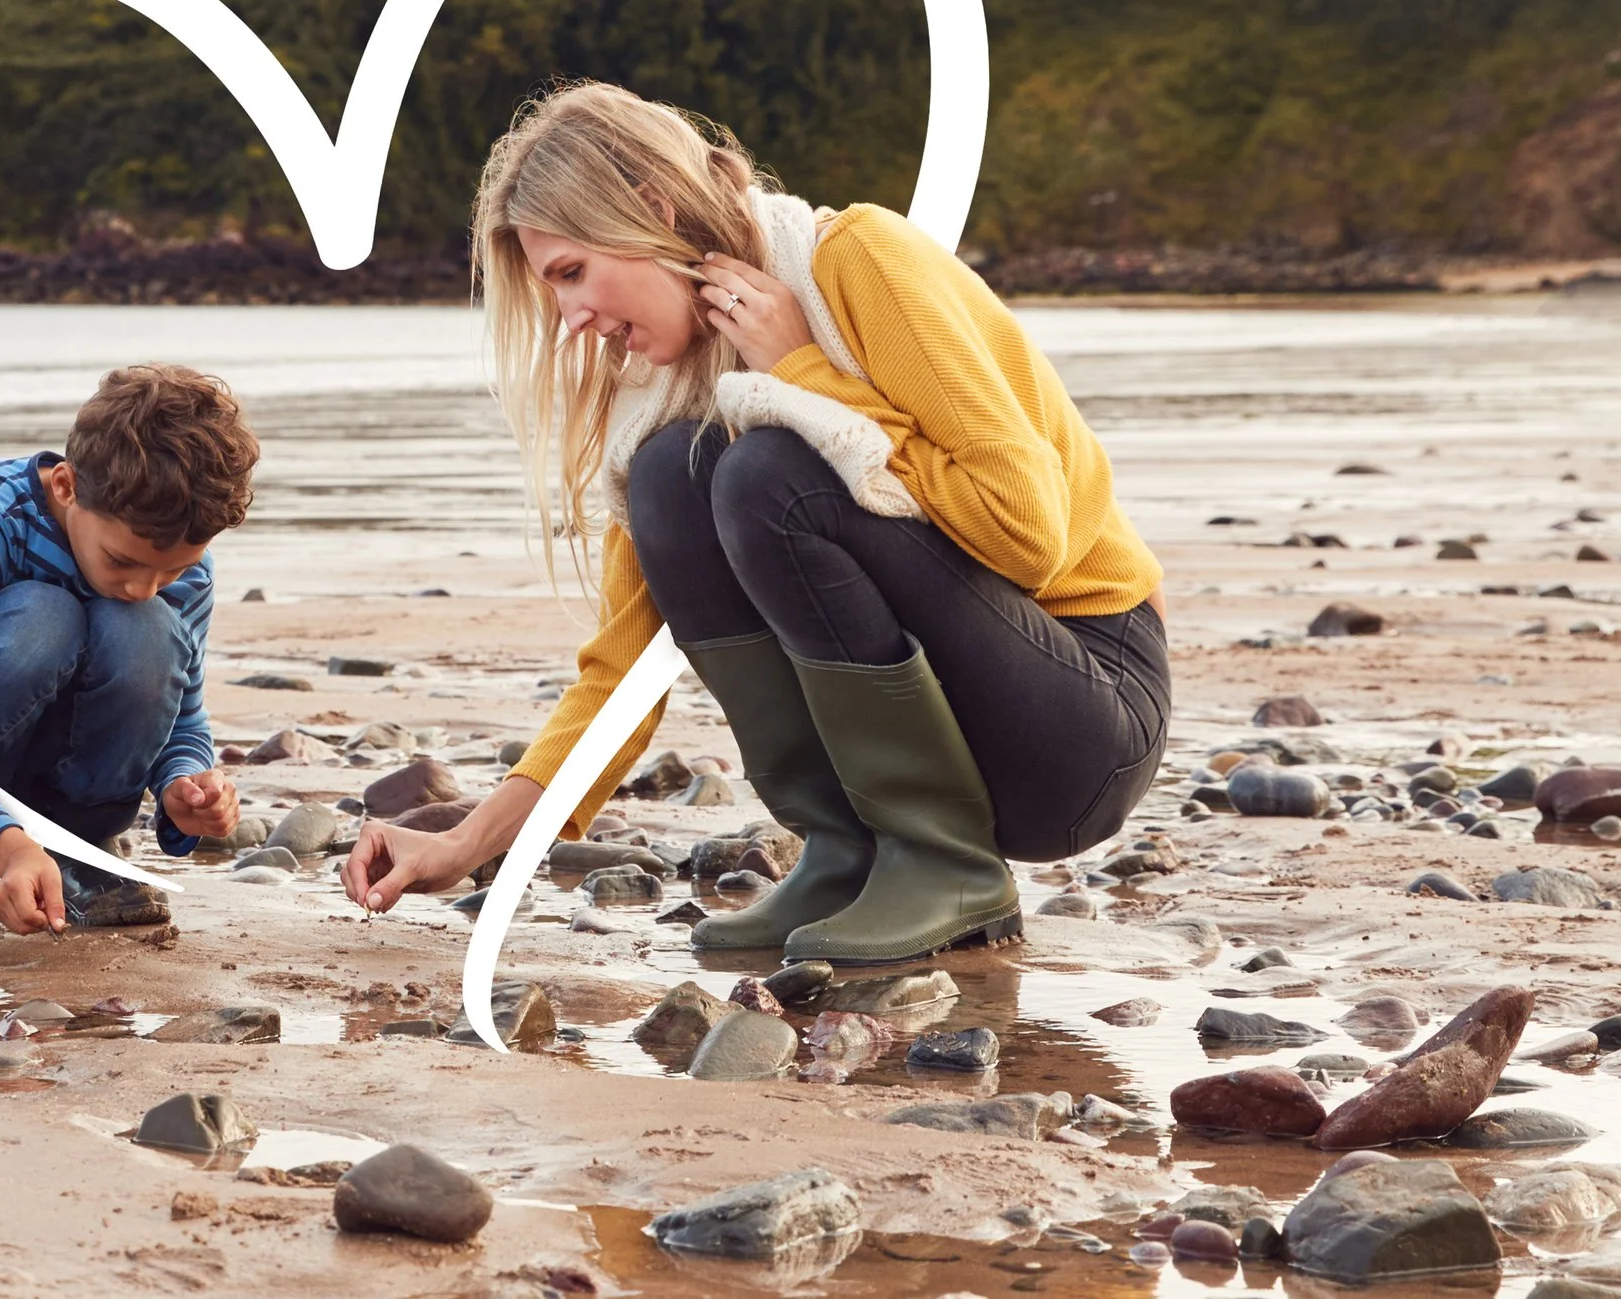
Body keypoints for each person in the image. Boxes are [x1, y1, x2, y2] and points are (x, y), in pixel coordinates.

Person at [341, 82, 1170, 965]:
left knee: (767, 474)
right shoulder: (660, 392)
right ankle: (848, 851)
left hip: (1080, 714)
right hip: (965, 734)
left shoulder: (858, 260)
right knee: (672, 473)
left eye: (572, 271)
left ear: (652, 210)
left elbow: (1028, 533)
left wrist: (804, 373)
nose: (568, 317)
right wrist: (467, 842)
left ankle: (945, 863)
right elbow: (621, 672)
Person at [0, 363, 259, 936]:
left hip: (69, 750)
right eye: (123, 561)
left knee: (145, 628)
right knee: (44, 616)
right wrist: (8, 849)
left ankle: (80, 843)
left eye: (173, 570)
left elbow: (181, 717)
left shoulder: (180, 570)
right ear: (66, 486)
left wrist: (183, 784)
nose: (145, 587)